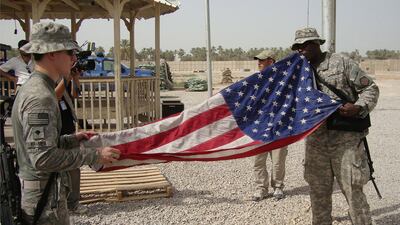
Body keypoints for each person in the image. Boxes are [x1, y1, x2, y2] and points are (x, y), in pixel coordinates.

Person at [12, 21, 121, 225]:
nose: (73, 58)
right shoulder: (40, 97)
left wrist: (72, 139)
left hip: (44, 191)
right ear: (51, 53)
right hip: (42, 198)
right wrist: (94, 155)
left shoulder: (39, 88)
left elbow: (41, 145)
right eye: (69, 52)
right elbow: (42, 158)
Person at [291, 27, 379, 225]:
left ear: (316, 44)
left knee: (353, 192)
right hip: (316, 143)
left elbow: (370, 88)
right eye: (297, 47)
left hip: (345, 141)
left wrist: (358, 107)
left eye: (305, 45)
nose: (301, 50)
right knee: (318, 194)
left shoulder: (341, 63)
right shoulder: (298, 70)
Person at [251, 50, 289, 201]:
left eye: (262, 60)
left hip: (279, 128)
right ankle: (261, 188)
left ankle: (278, 187)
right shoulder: (254, 80)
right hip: (259, 128)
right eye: (258, 60)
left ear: (271, 61)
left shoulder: (283, 80)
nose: (259, 62)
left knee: (278, 160)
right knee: (258, 160)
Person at [55, 67, 87, 214]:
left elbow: (75, 95)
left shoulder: (66, 77)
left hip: (68, 126)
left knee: (74, 167)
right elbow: (55, 96)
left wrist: (75, 78)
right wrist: (66, 77)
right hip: (55, 128)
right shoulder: (50, 78)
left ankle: (73, 202)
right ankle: (61, 202)